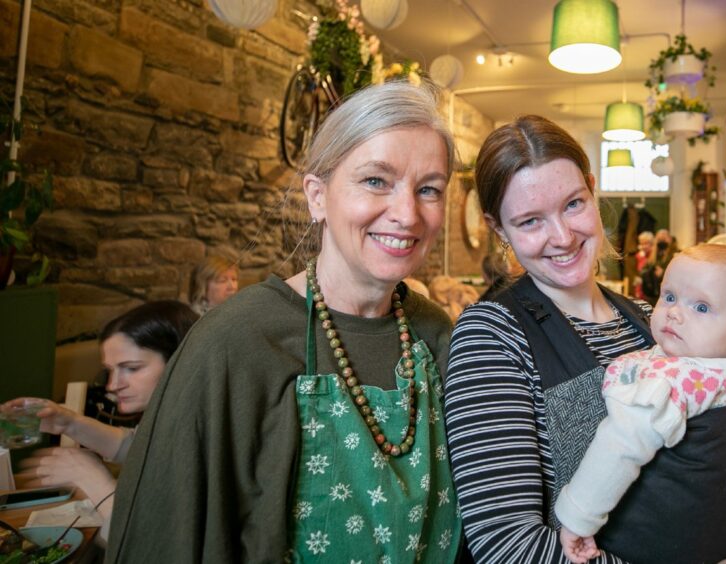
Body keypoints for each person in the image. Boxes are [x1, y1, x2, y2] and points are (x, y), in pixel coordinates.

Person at [105, 81, 461, 563]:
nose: (407, 213)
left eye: (429, 190)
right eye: (376, 180)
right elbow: (163, 536)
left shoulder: (437, 334)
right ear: (317, 196)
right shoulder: (233, 341)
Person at [444, 115, 726, 563]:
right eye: (529, 221)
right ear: (498, 227)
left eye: (572, 204)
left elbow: (721, 463)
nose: (562, 236)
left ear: (591, 187)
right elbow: (508, 545)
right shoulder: (491, 336)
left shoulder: (653, 320)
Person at [556, 244, 726, 563]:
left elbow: (617, 447)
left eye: (701, 307)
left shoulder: (665, 383)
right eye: (669, 296)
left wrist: (578, 519)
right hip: (718, 539)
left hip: (651, 545)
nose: (674, 311)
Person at [6, 300, 198, 541]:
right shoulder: (177, 411)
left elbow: (152, 542)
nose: (113, 385)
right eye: (111, 370)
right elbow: (137, 446)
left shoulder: (198, 429)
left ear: (179, 362)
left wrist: (91, 477)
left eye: (132, 368)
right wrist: (68, 423)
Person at [640, 228, 679, 304]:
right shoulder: (653, 256)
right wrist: (651, 272)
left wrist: (663, 273)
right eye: (659, 239)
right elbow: (643, 270)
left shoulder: (675, 254)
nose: (662, 241)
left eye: (664, 239)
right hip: (653, 295)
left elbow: (679, 273)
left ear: (670, 239)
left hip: (669, 295)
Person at [632, 231, 654, 299]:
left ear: (651, 244)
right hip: (640, 288)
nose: (643, 246)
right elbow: (637, 272)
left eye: (646, 243)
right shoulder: (638, 256)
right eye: (641, 244)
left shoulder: (654, 256)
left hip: (651, 291)